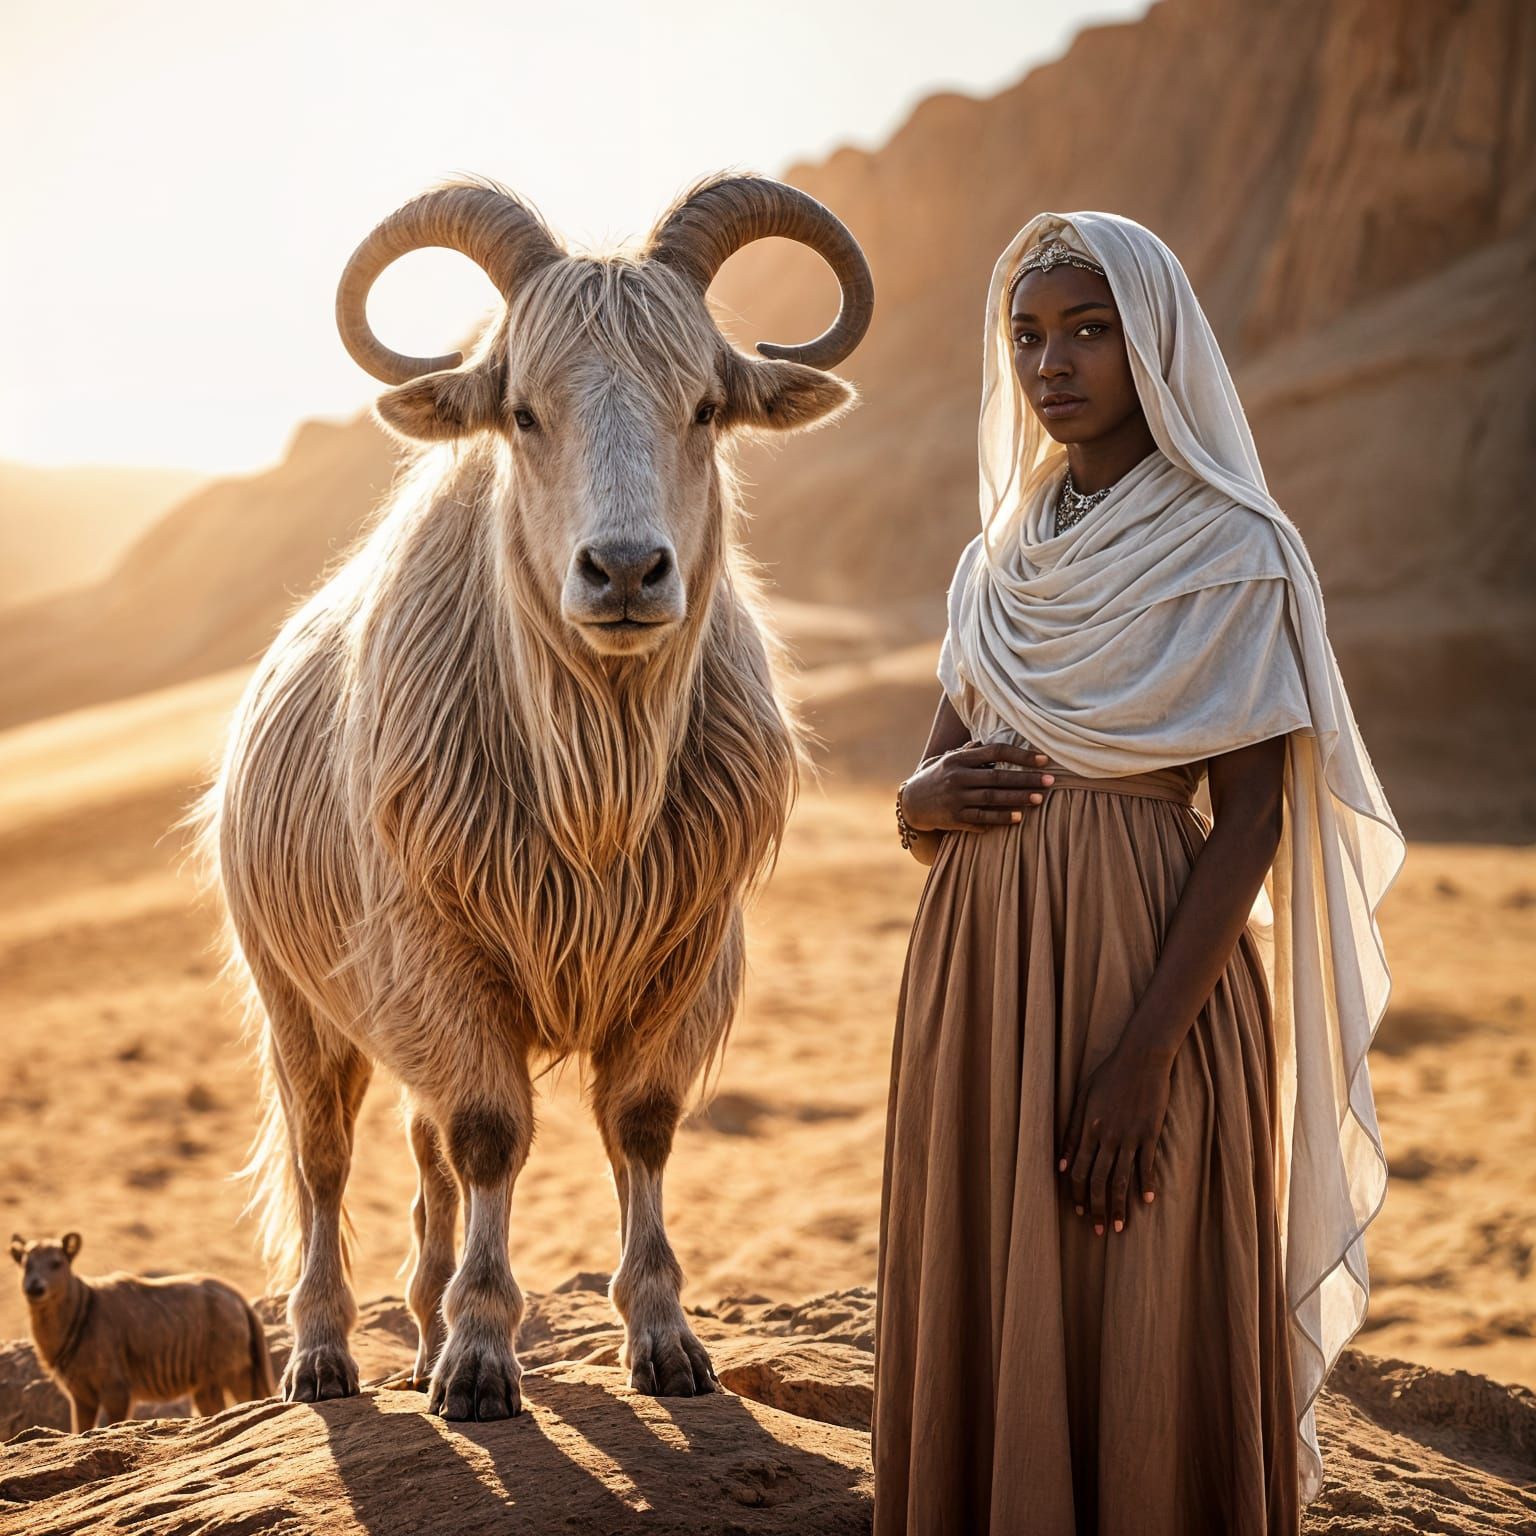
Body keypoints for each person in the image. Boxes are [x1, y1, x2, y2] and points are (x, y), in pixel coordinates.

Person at [872, 213, 1403, 1535]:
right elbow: (940, 775)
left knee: (1137, 1269)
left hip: (1144, 966)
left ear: (1153, 337)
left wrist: (1142, 1058)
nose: (1054, 362)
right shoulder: (996, 559)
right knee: (989, 1265)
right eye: (1029, 335)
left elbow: (1250, 822)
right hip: (983, 973)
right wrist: (912, 801)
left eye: (1089, 329)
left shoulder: (1236, 545)